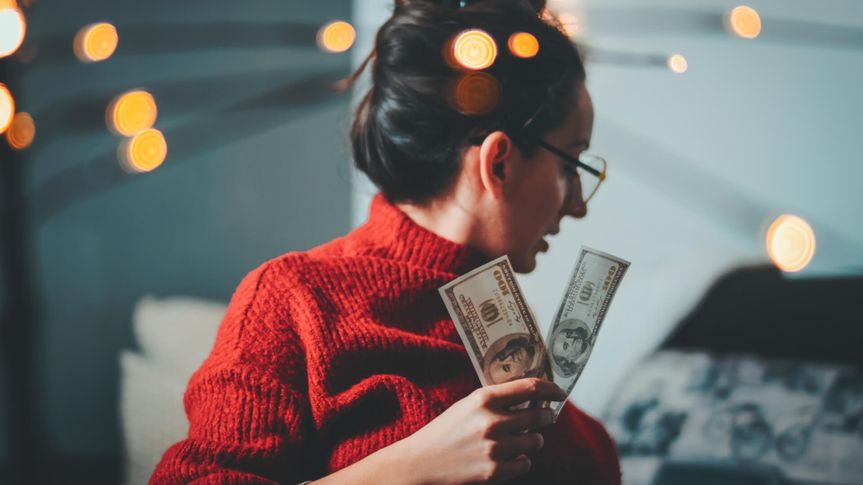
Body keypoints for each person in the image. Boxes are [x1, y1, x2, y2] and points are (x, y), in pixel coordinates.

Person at [150, 0, 620, 483]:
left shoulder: (502, 329)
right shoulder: (290, 299)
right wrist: (408, 469)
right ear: (498, 163)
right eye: (571, 165)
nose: (578, 204)